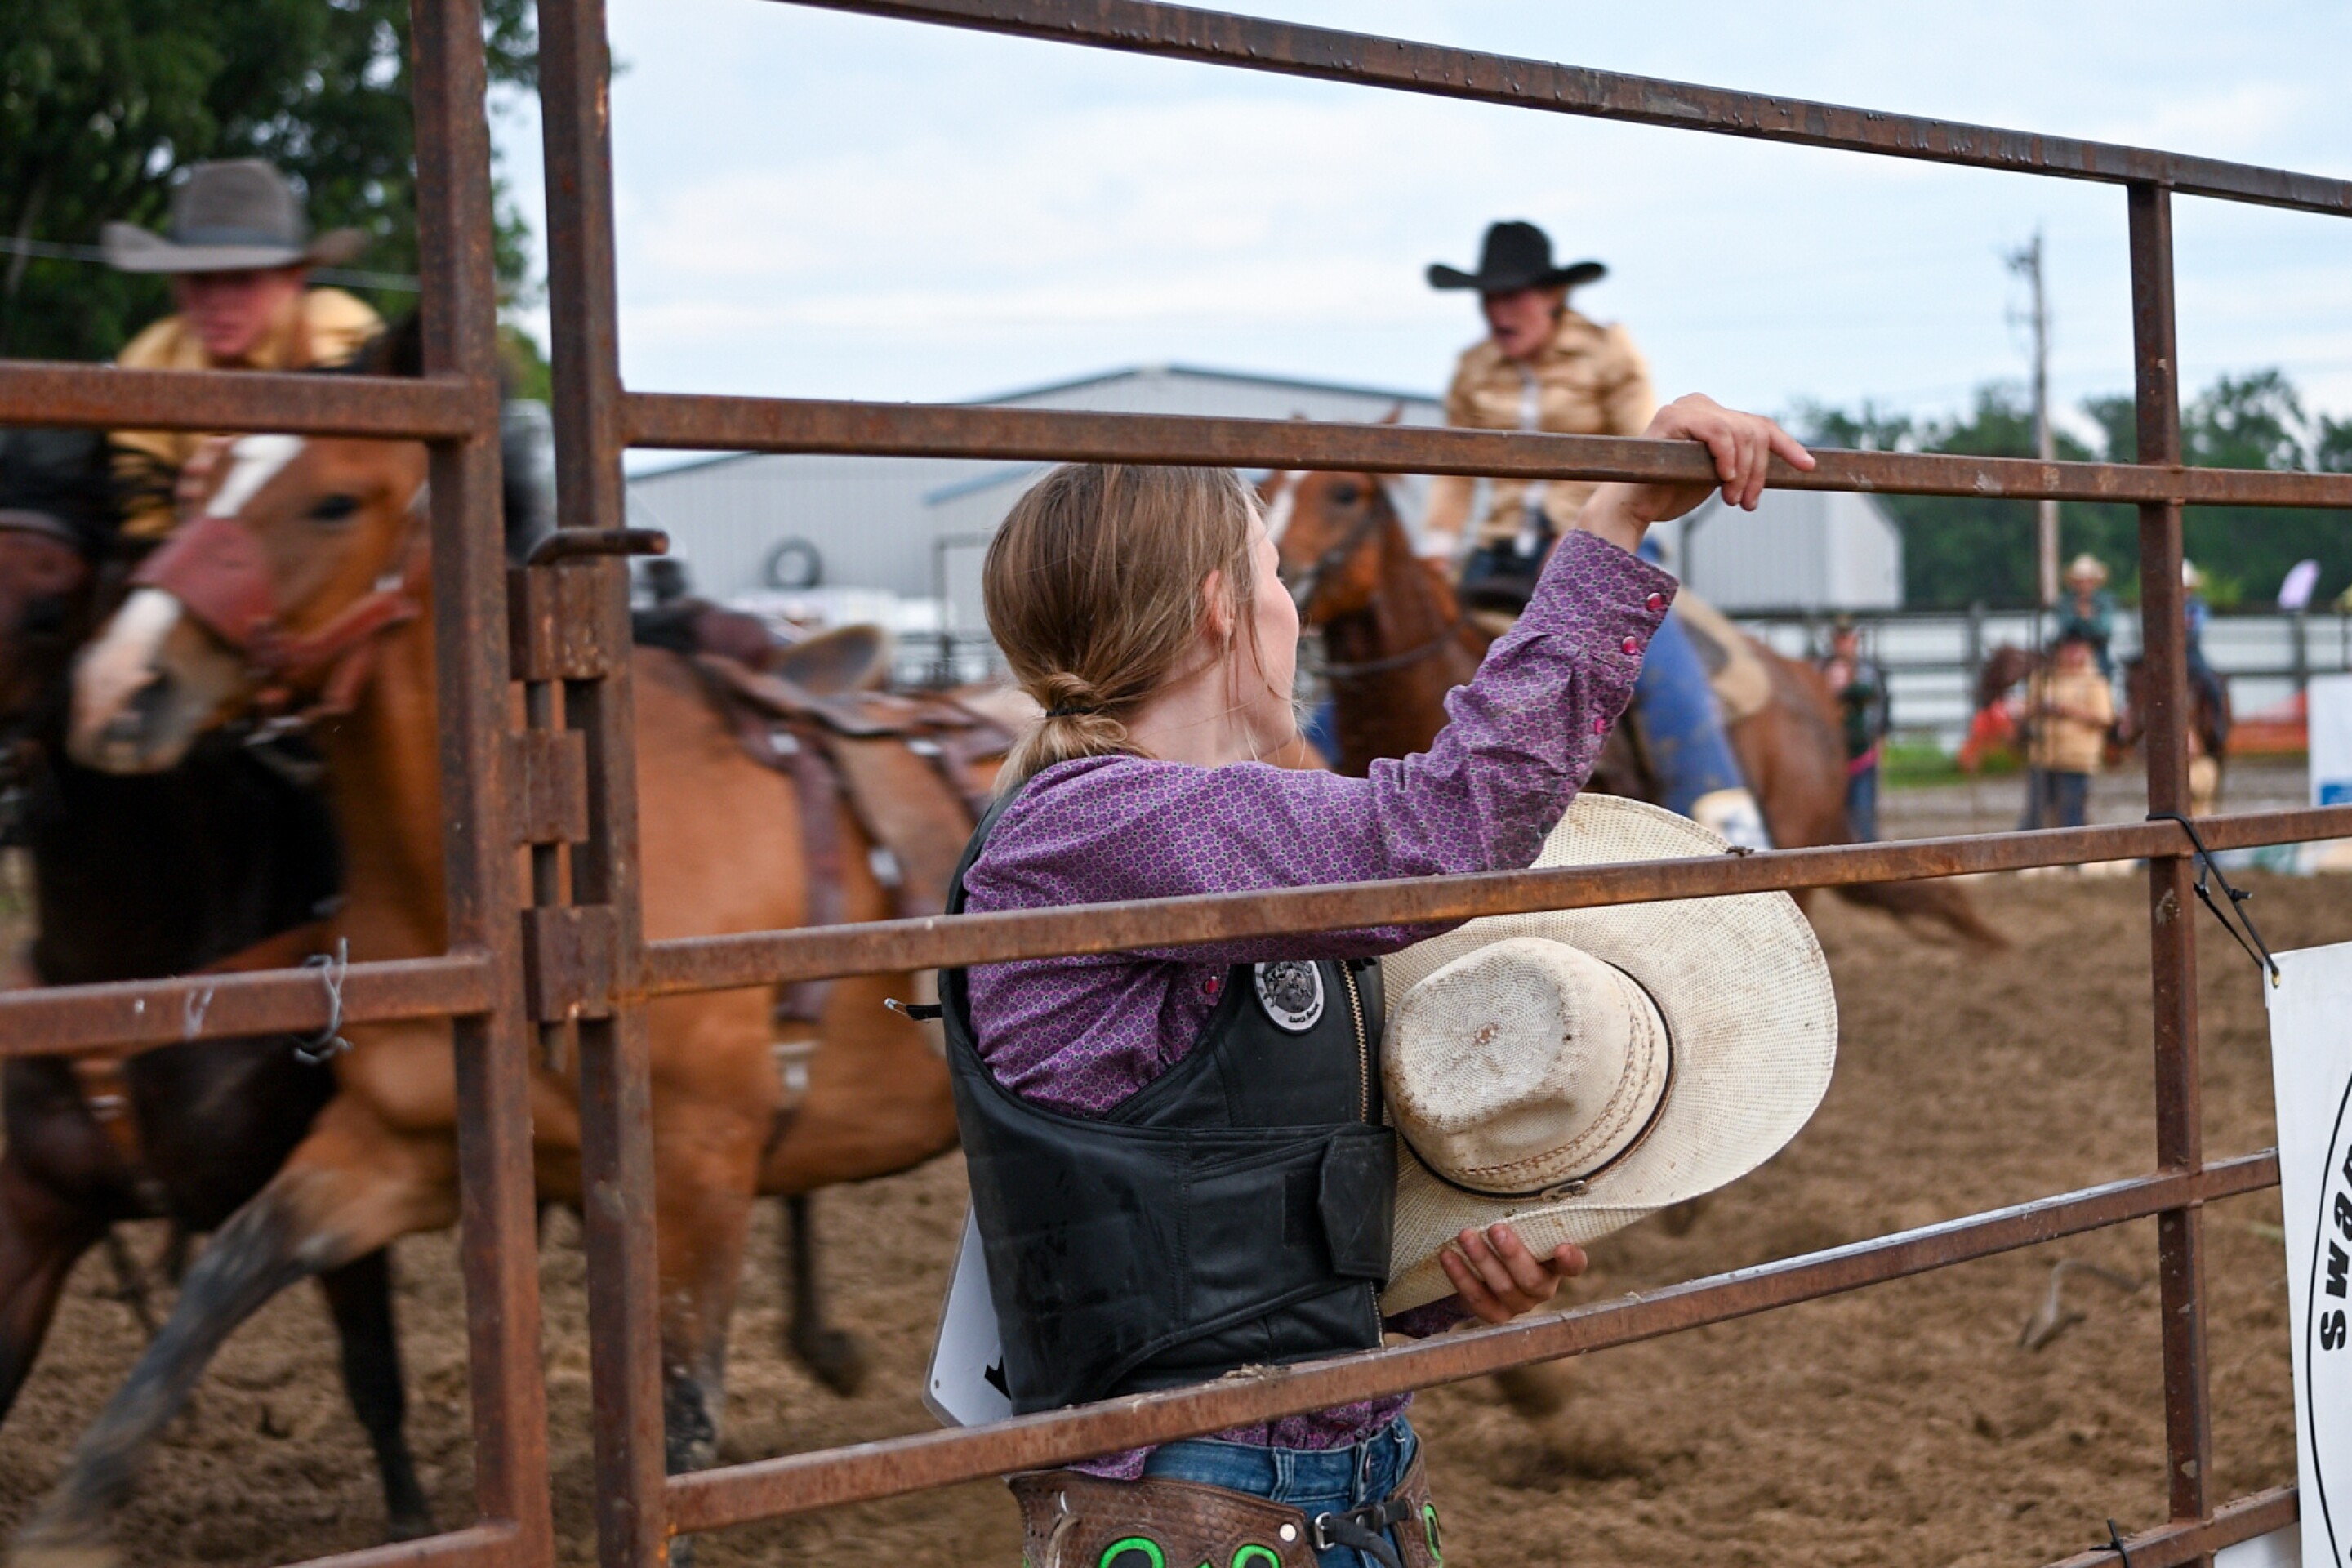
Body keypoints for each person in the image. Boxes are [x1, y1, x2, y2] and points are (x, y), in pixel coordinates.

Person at [943, 395, 1812, 1565]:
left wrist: (1446, 1276)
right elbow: (1448, 829)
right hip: (1199, 1482)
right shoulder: (1105, 823)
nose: (1290, 607)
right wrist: (1617, 523)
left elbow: (1245, 1180)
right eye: (1272, 573)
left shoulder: (1205, 841)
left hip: (1334, 1468)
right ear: (1220, 608)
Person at [1419, 220, 1770, 849]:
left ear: (1552, 297)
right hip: (1501, 554)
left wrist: (1589, 529)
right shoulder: (1472, 371)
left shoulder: (1608, 353)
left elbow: (1645, 449)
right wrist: (1436, 547)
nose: (1500, 310)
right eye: (1489, 297)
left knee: (1665, 672)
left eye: (1514, 295)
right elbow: (1453, 474)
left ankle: (1726, 829)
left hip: (1612, 533)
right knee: (1397, 648)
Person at [102, 159, 381, 537]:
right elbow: (142, 518)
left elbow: (363, 473)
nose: (217, 300)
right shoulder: (151, 357)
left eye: (241, 279)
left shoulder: (338, 329)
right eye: (200, 279)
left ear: (292, 281)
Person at [2021, 631, 2114, 831]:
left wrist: (2066, 710)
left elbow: (2104, 717)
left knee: (2071, 812)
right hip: (2044, 755)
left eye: (2078, 650)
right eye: (2068, 650)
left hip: (2075, 758)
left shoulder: (2095, 682)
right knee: (2035, 813)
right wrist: (2040, 707)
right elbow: (2025, 710)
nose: (2072, 655)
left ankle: (2074, 859)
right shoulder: (2043, 679)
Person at [1823, 617, 1889, 841]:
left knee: (1863, 815)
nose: (1843, 644)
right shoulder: (1822, 670)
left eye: (1847, 639)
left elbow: (1880, 707)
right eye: (1839, 639)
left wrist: (1881, 740)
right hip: (1831, 761)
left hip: (1861, 756)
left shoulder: (1868, 674)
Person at [2180, 559, 2230, 747]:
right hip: (2171, 653)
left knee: (2212, 685)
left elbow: (2196, 630)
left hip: (2191, 652)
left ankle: (2218, 724)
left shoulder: (2198, 606)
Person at [2055, 553, 2116, 677]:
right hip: (2069, 652)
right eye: (2080, 581)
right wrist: (2079, 617)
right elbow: (2063, 625)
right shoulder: (2066, 601)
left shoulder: (2104, 600)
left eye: (2087, 581)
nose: (2083, 584)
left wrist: (2089, 619)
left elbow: (2105, 628)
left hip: (2097, 650)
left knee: (2104, 674)